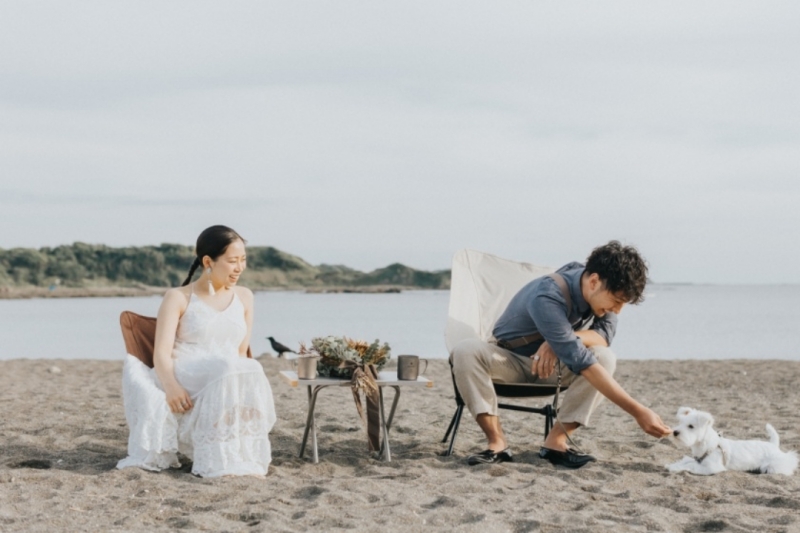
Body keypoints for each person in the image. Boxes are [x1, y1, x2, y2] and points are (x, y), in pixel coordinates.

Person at [451, 241, 671, 468]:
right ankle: (497, 443)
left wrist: (558, 340)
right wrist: (639, 412)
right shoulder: (547, 294)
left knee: (604, 357)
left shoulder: (597, 287)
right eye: (616, 301)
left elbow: (603, 337)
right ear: (594, 281)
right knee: (466, 350)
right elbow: (583, 362)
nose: (617, 310)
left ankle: (556, 442)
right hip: (509, 361)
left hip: (554, 368)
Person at [117, 225, 276, 477]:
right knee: (227, 367)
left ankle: (238, 450)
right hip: (185, 369)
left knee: (250, 366)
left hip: (225, 370)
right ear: (207, 261)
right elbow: (161, 353)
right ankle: (215, 458)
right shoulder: (178, 297)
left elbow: (242, 351)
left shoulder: (245, 297)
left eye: (243, 260)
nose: (240, 268)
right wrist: (171, 386)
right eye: (232, 261)